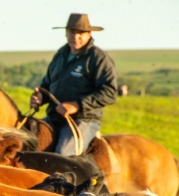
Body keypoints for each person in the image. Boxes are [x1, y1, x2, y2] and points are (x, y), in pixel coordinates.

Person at [30, 13, 118, 156]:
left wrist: (77, 105)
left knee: (63, 154)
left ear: (89, 34)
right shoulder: (60, 54)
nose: (75, 37)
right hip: (54, 118)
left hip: (84, 120)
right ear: (66, 33)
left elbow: (109, 92)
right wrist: (40, 97)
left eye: (80, 33)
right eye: (72, 32)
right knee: (27, 145)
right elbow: (47, 83)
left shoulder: (98, 58)